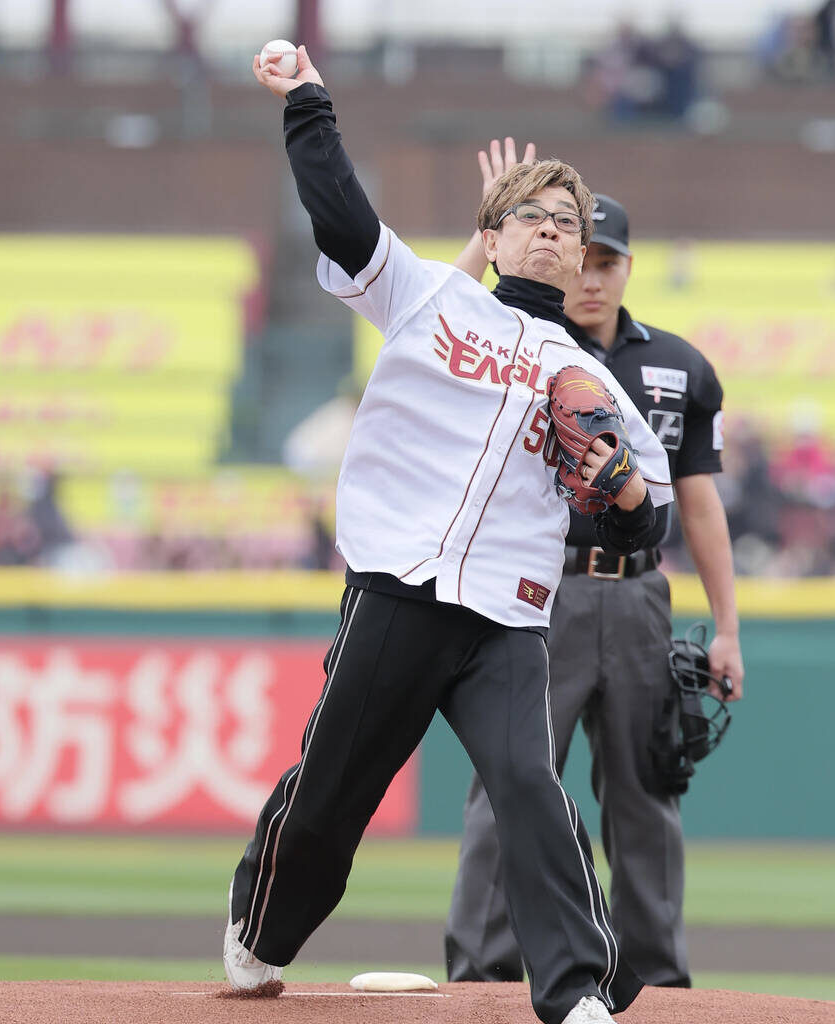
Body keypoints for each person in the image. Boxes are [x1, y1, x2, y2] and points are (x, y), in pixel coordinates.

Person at [227, 48, 674, 1024]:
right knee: (332, 792)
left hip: (506, 615)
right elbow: (340, 214)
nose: (551, 233)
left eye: (567, 224)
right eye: (531, 218)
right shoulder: (427, 296)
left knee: (529, 785)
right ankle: (261, 929)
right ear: (493, 235)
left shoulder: (590, 380)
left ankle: (575, 990)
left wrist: (622, 489)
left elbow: (648, 520)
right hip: (399, 587)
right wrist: (306, 101)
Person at [445, 145, 744, 990]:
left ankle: (657, 983)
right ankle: (480, 977)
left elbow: (698, 504)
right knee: (511, 782)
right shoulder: (516, 345)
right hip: (541, 590)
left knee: (647, 791)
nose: (593, 277)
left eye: (608, 261)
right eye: (586, 258)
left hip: (640, 593)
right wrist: (486, 223)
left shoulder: (677, 368)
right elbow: (440, 316)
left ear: (623, 267)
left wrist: (726, 629)